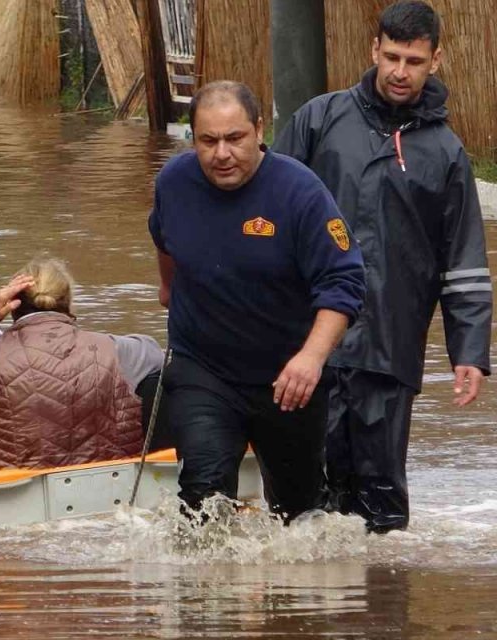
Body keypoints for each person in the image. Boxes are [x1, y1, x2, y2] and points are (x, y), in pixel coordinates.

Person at [272, 0, 493, 533]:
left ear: (435, 60)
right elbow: (267, 217)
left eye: (413, 61)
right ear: (374, 50)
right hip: (307, 347)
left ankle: (384, 606)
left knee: (382, 508)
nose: (399, 71)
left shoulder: (445, 153)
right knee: (299, 504)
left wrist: (469, 352)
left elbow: (463, 259)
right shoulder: (319, 120)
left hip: (389, 350)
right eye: (391, 56)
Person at [148, 80, 367, 523]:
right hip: (203, 368)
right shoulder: (174, 183)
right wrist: (168, 288)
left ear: (259, 130)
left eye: (235, 139)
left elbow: (344, 281)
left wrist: (311, 358)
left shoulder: (300, 193)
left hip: (287, 377)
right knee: (203, 493)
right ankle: (204, 591)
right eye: (208, 141)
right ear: (192, 139)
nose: (222, 154)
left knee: (299, 513)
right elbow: (164, 238)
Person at [0, 256, 166, 473]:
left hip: (11, 487)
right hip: (106, 480)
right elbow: (158, 355)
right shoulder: (118, 350)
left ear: (13, 305)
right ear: (69, 304)